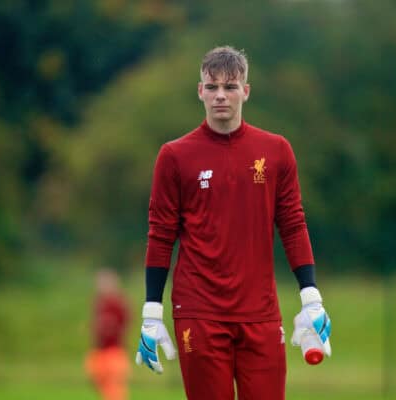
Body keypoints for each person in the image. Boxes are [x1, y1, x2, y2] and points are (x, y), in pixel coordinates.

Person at [135, 46, 332, 400]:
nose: (221, 95)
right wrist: (152, 311)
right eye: (212, 87)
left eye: (230, 86)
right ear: (200, 92)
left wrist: (311, 297)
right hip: (199, 312)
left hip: (260, 312)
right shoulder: (174, 156)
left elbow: (292, 224)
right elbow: (161, 235)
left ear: (246, 90)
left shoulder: (276, 151)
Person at [86, 269, 131, 400]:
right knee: (97, 378)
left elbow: (125, 323)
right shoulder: (98, 302)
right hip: (99, 349)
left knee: (114, 385)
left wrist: (112, 328)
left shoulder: (119, 303)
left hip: (114, 349)